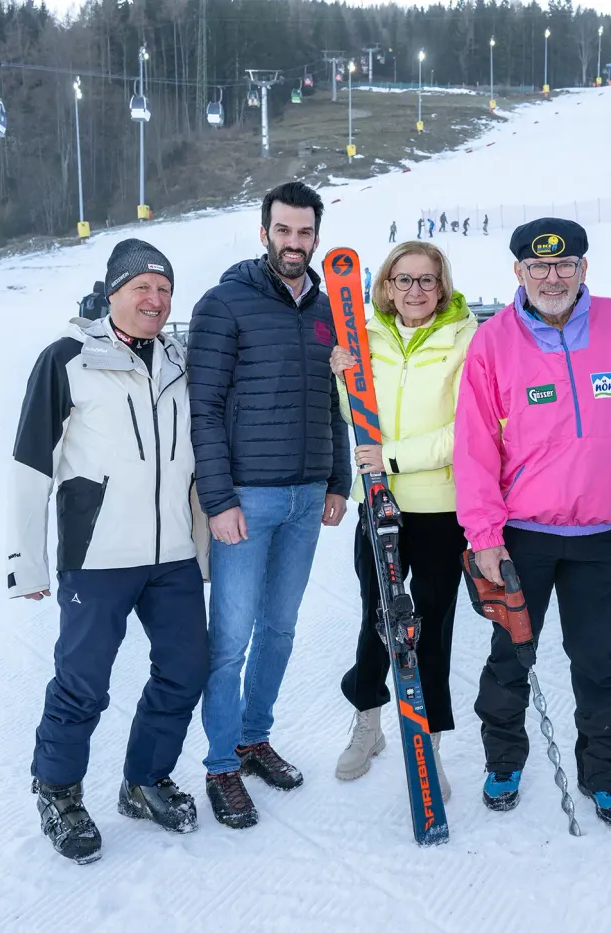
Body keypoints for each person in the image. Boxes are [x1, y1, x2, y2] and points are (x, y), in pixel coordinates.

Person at [8, 239, 209, 864]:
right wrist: (26, 559)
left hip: (172, 553)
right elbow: (29, 462)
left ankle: (144, 780)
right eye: (142, 287)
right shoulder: (69, 359)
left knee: (185, 669)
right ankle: (59, 793)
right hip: (96, 557)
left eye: (165, 289)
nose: (155, 299)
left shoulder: (178, 359)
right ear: (113, 293)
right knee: (83, 683)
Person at [454, 218, 611, 828]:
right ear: (518, 273)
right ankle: (504, 758)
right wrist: (483, 535)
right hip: (522, 535)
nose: (552, 277)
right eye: (538, 267)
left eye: (565, 265)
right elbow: (474, 445)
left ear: (585, 268)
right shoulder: (494, 341)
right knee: (511, 657)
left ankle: (604, 771)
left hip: (594, 535)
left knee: (597, 660)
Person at [188, 181, 351, 830]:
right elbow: (202, 409)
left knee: (280, 629)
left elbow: (335, 402)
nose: (293, 242)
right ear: (264, 233)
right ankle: (221, 762)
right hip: (247, 500)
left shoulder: (326, 308)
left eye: (304, 232)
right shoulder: (224, 303)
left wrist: (337, 480)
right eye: (282, 230)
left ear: (316, 237)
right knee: (230, 638)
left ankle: (255, 736)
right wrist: (219, 499)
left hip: (308, 495)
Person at [330, 241, 477, 797]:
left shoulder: (466, 339)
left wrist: (390, 457)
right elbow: (357, 416)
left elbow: (466, 431)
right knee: (376, 618)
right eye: (403, 280)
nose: (415, 290)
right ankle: (368, 723)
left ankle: (429, 742)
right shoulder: (364, 337)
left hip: (442, 506)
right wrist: (343, 377)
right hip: (380, 504)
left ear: (442, 285)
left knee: (432, 627)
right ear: (387, 286)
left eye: (426, 280)